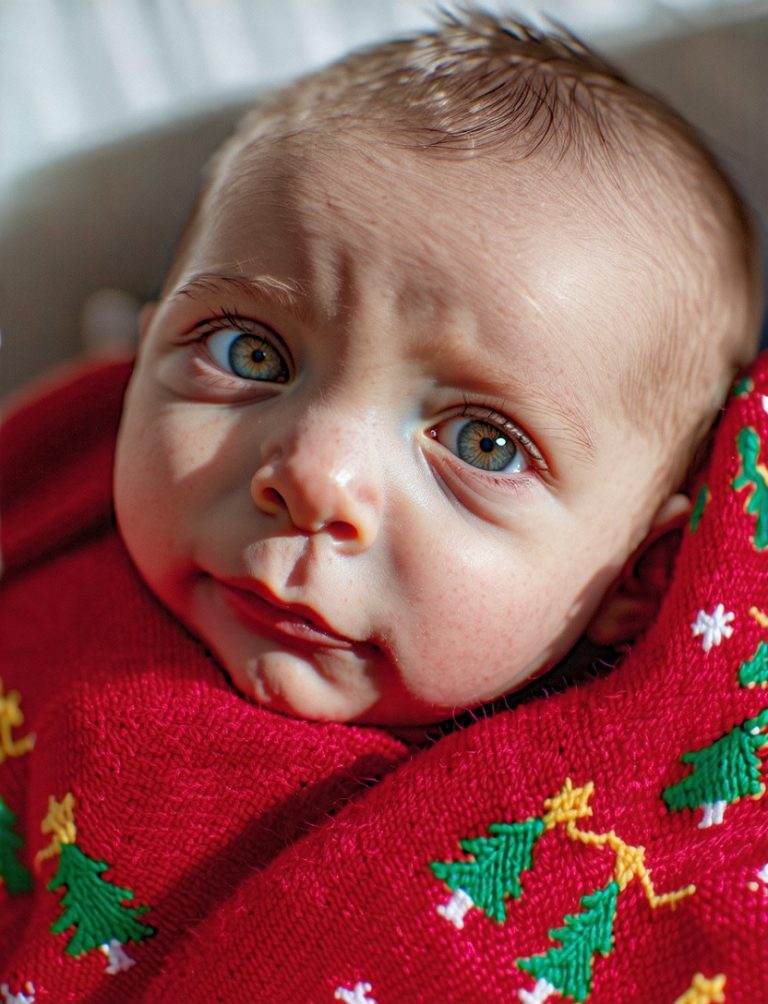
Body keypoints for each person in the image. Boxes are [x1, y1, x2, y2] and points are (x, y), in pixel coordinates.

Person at [1, 11, 766, 1002]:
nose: (313, 472)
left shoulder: (580, 838)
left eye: (483, 443)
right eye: (250, 354)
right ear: (143, 353)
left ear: (638, 575)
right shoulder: (59, 517)